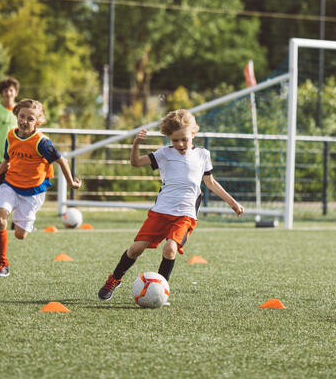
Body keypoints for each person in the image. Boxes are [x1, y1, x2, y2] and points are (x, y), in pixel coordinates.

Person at [97, 109, 244, 302]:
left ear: (193, 134)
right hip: (160, 212)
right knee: (135, 249)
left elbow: (210, 183)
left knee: (170, 249)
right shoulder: (164, 154)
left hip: (185, 215)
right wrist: (136, 144)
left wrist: (232, 203)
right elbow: (135, 163)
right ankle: (114, 279)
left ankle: (161, 290)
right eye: (175, 140)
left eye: (184, 139)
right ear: (169, 139)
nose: (180, 144)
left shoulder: (202, 155)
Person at [0, 99, 81, 277]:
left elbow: (61, 160)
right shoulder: (11, 135)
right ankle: (2, 264)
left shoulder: (42, 142)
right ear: (16, 115)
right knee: (0, 218)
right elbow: (7, 159)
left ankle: (23, 221)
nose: (24, 121)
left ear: (38, 121)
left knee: (20, 235)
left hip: (32, 192)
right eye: (22, 116)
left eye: (30, 119)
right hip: (10, 184)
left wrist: (70, 182)